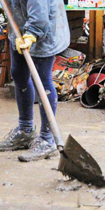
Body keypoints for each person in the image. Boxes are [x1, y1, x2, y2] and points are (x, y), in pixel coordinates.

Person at [0, 0, 70, 162]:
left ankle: (47, 139)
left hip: (44, 29)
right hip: (20, 25)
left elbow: (40, 14)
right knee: (18, 74)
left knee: (42, 80)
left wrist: (31, 35)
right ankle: (25, 130)